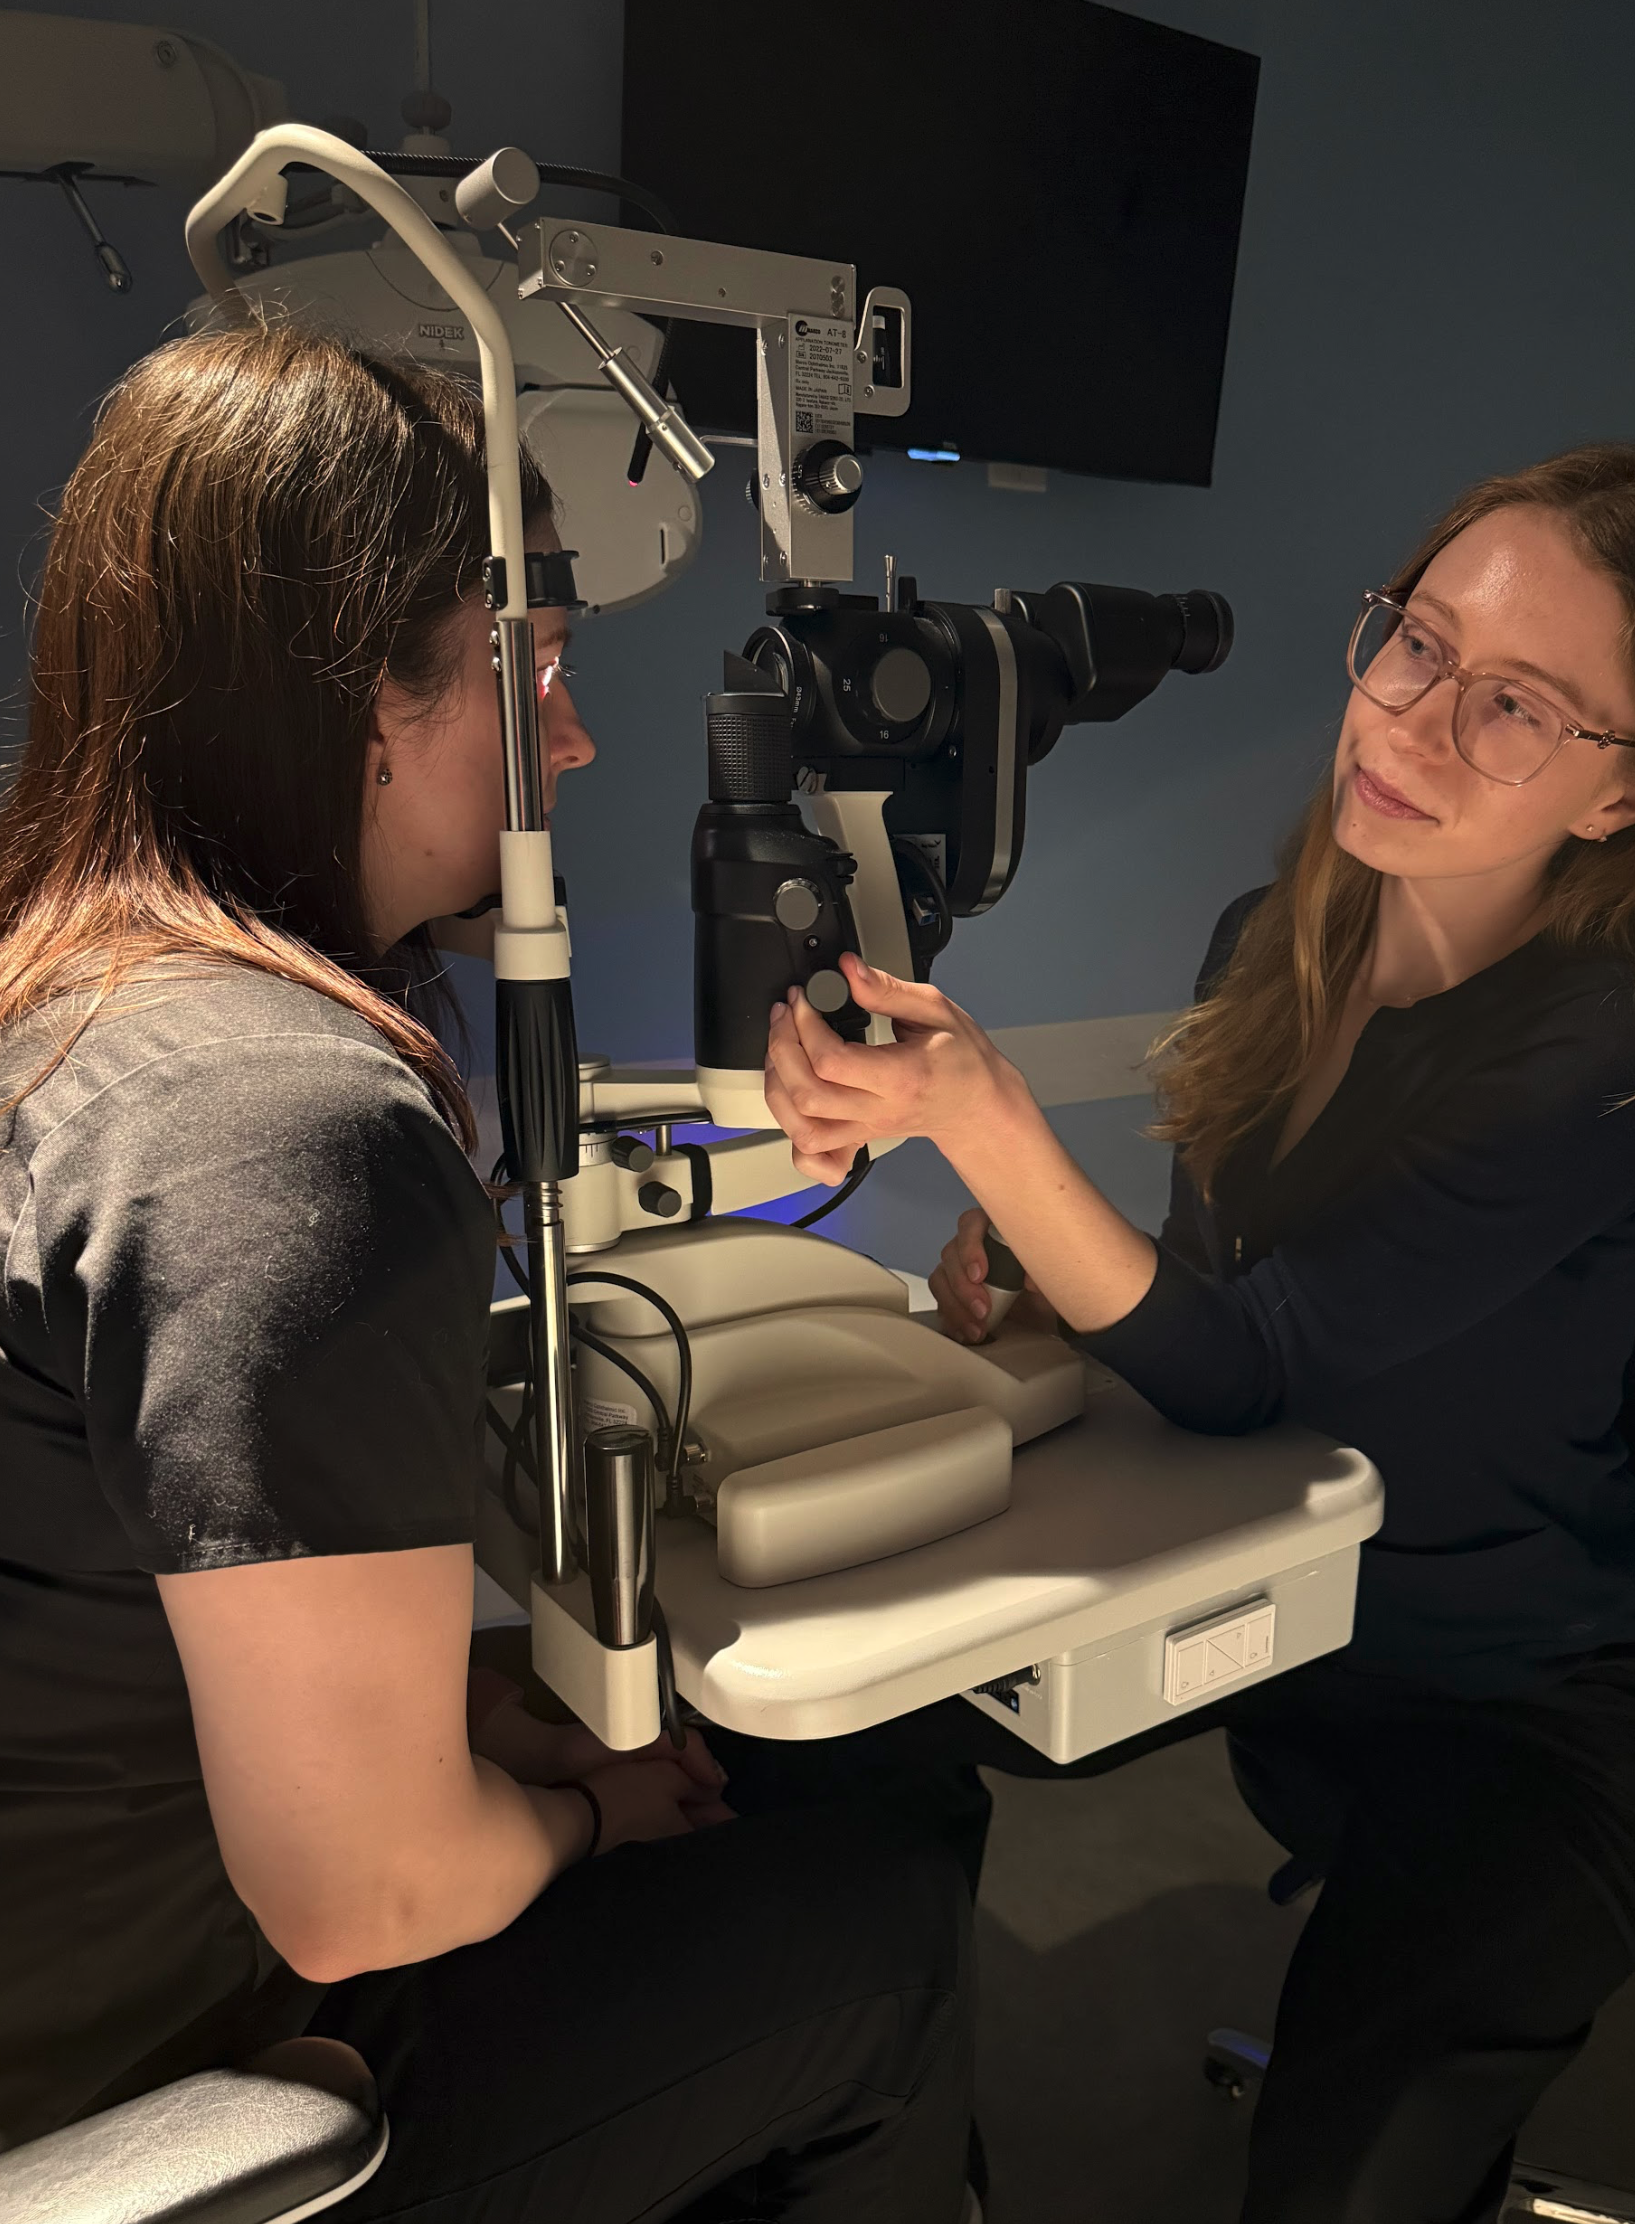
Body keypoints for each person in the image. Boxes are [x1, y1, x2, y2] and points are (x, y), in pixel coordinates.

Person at [0, 323, 976, 2224]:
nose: (575, 732)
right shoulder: (284, 1131)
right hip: (158, 2085)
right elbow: (364, 1891)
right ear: (362, 691)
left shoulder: (69, 997)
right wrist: (579, 1810)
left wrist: (451, 1717)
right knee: (893, 1925)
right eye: (532, 662)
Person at [761, 441, 1635, 2224]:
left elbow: (1257, 1373)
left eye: (1520, 707)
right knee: (831, 1737)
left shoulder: (1606, 1049)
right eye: (1418, 644)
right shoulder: (1272, 942)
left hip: (1536, 1722)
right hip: (1296, 1618)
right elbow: (1263, 1307)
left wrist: (994, 1126)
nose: (1419, 721)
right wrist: (1050, 1251)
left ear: (1626, 796)